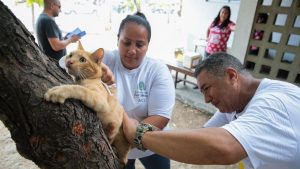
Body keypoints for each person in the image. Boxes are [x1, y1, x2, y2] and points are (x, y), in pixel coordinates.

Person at [122, 52, 300, 169]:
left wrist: (139, 134)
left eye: (207, 88)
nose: (206, 99)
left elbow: (223, 148)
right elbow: (203, 136)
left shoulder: (272, 105)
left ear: (231, 76)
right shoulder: (236, 103)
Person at [59, 12, 175, 169]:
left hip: (151, 144)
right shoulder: (104, 59)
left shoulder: (158, 70)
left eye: (140, 45)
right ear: (118, 39)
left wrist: (129, 132)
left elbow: (160, 117)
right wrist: (102, 67)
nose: (132, 50)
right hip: (116, 146)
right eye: (126, 43)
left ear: (148, 45)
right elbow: (62, 62)